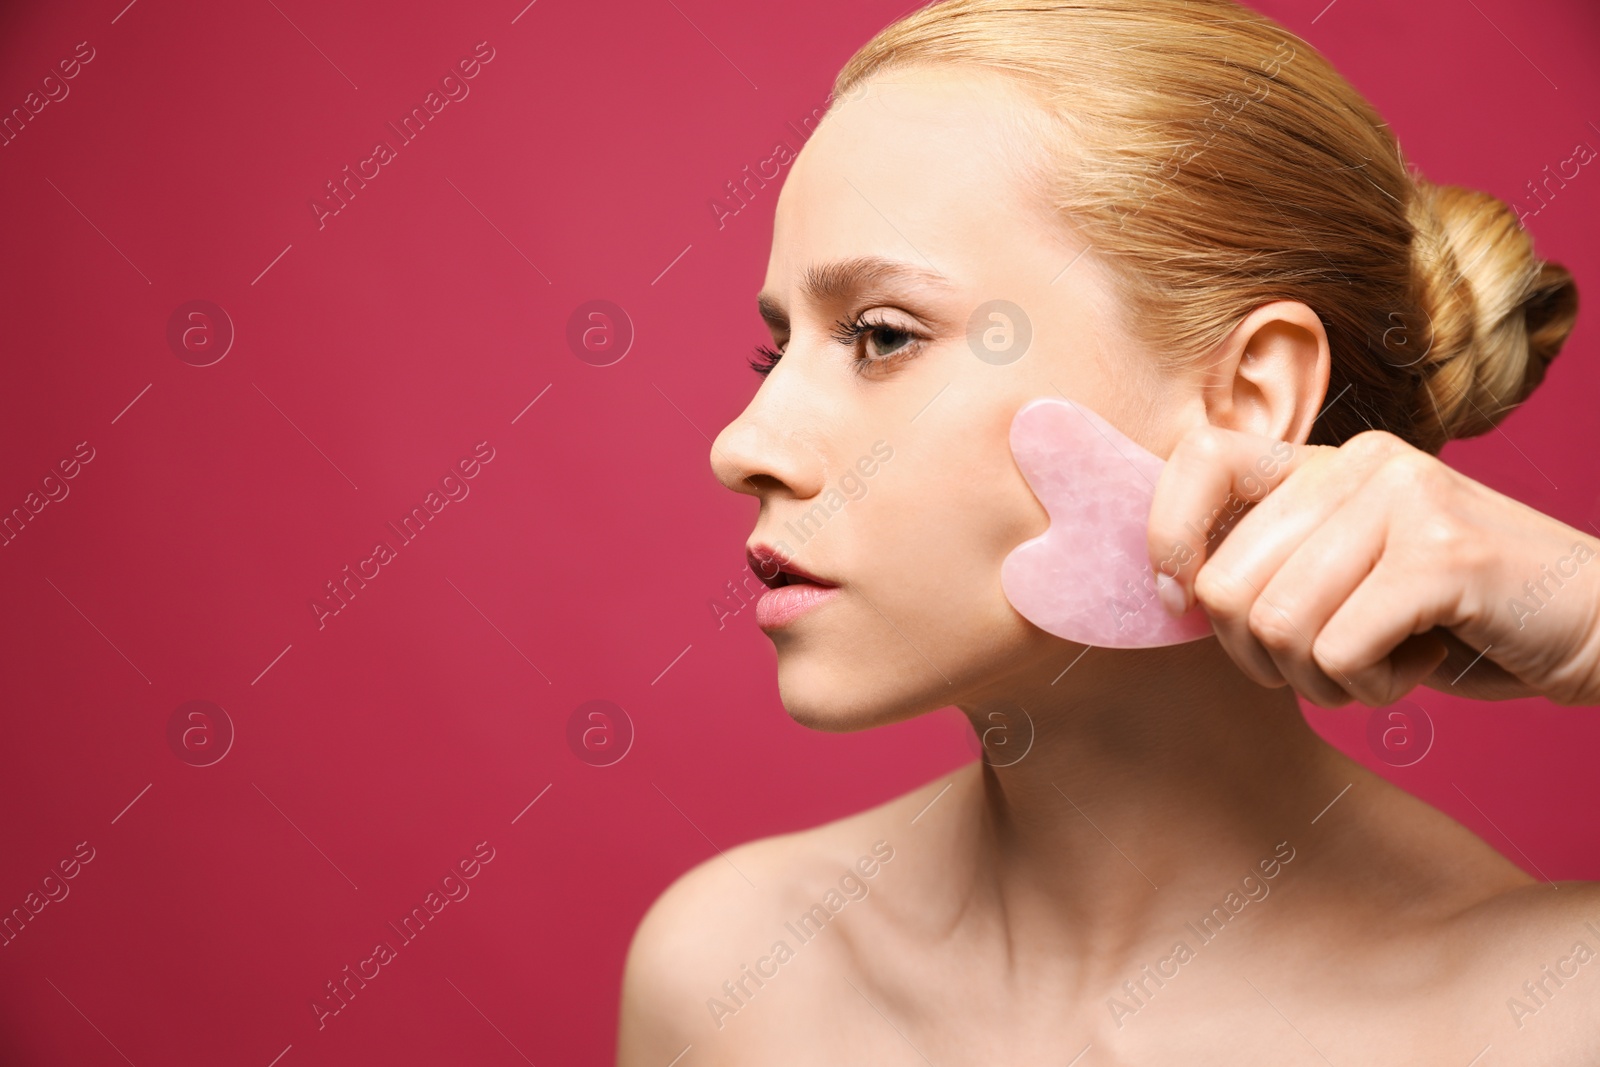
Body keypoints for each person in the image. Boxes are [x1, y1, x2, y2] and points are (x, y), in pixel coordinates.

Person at [617, 0, 1597, 1062]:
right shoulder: (734, 976)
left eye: (882, 335)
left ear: (1250, 397)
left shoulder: (1544, 1010)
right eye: (775, 353)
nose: (742, 443)